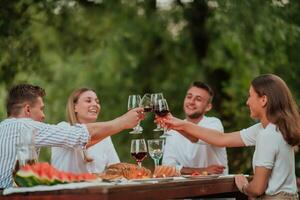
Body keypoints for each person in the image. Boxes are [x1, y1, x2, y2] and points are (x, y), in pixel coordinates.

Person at [159, 74, 300, 199]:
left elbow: (257, 189)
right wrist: (179, 124)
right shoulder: (267, 129)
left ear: (263, 100)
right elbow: (222, 139)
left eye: (250, 96)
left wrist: (244, 186)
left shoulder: (267, 134)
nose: (247, 102)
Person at [0, 84, 143, 188]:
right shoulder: (26, 126)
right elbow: (79, 135)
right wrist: (123, 122)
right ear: (28, 109)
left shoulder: (4, 127)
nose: (44, 116)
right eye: (41, 109)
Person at [162, 82, 228, 175]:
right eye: (189, 97)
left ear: (208, 107)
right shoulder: (173, 131)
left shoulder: (214, 123)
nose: (191, 102)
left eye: (198, 99)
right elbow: (167, 167)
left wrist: (175, 125)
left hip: (216, 186)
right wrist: (202, 171)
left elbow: (196, 138)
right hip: (185, 187)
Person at [51, 88, 120, 173]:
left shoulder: (105, 137)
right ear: (74, 107)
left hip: (95, 186)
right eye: (88, 101)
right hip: (66, 185)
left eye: (97, 102)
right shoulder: (63, 128)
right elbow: (80, 139)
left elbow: (116, 167)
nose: (95, 104)